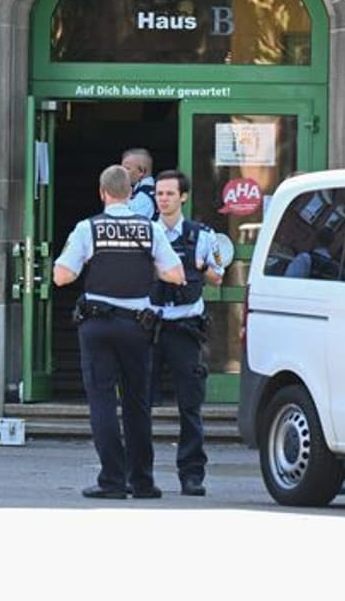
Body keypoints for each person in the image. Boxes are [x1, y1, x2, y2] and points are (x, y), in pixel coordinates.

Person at [54, 164, 185, 499]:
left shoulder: (88, 228)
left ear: (102, 192)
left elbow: (62, 276)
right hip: (136, 325)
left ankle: (111, 481)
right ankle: (141, 481)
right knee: (137, 404)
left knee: (101, 402)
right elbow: (175, 274)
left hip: (97, 325)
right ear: (130, 194)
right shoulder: (150, 230)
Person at [148, 170, 225, 496]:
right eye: (159, 193)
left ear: (183, 197)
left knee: (190, 406)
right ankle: (138, 473)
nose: (163, 198)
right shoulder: (145, 232)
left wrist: (199, 266)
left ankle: (192, 474)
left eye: (169, 193)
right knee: (139, 405)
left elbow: (218, 277)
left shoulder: (202, 235)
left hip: (184, 329)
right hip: (148, 327)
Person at [121, 147, 158, 220]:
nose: (122, 172)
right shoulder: (153, 189)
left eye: (127, 168)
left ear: (141, 171)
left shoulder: (143, 197)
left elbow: (131, 225)